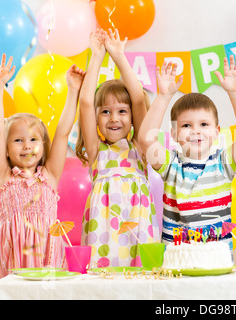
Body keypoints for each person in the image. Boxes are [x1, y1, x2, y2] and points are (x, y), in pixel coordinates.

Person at [138, 56, 236, 249]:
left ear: (216, 131)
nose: (196, 130)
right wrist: (163, 97)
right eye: (186, 125)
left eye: (204, 124)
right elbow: (145, 139)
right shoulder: (171, 166)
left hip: (216, 264)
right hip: (177, 264)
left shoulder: (223, 163)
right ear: (175, 134)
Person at [0, 54, 84, 281]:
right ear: (7, 148)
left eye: (33, 140)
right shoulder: (3, 177)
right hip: (13, 260)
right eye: (18, 140)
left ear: (43, 145)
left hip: (48, 259)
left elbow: (62, 132)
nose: (27, 146)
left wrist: (73, 91)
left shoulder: (49, 176)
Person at [76, 29, 159, 268]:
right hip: (102, 233)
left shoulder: (141, 146)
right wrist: (97, 55)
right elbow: (85, 101)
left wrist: (119, 55)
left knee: (139, 283)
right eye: (106, 112)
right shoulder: (96, 150)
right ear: (96, 117)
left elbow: (138, 99)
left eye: (122, 111)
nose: (114, 118)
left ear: (132, 117)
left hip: (138, 228)